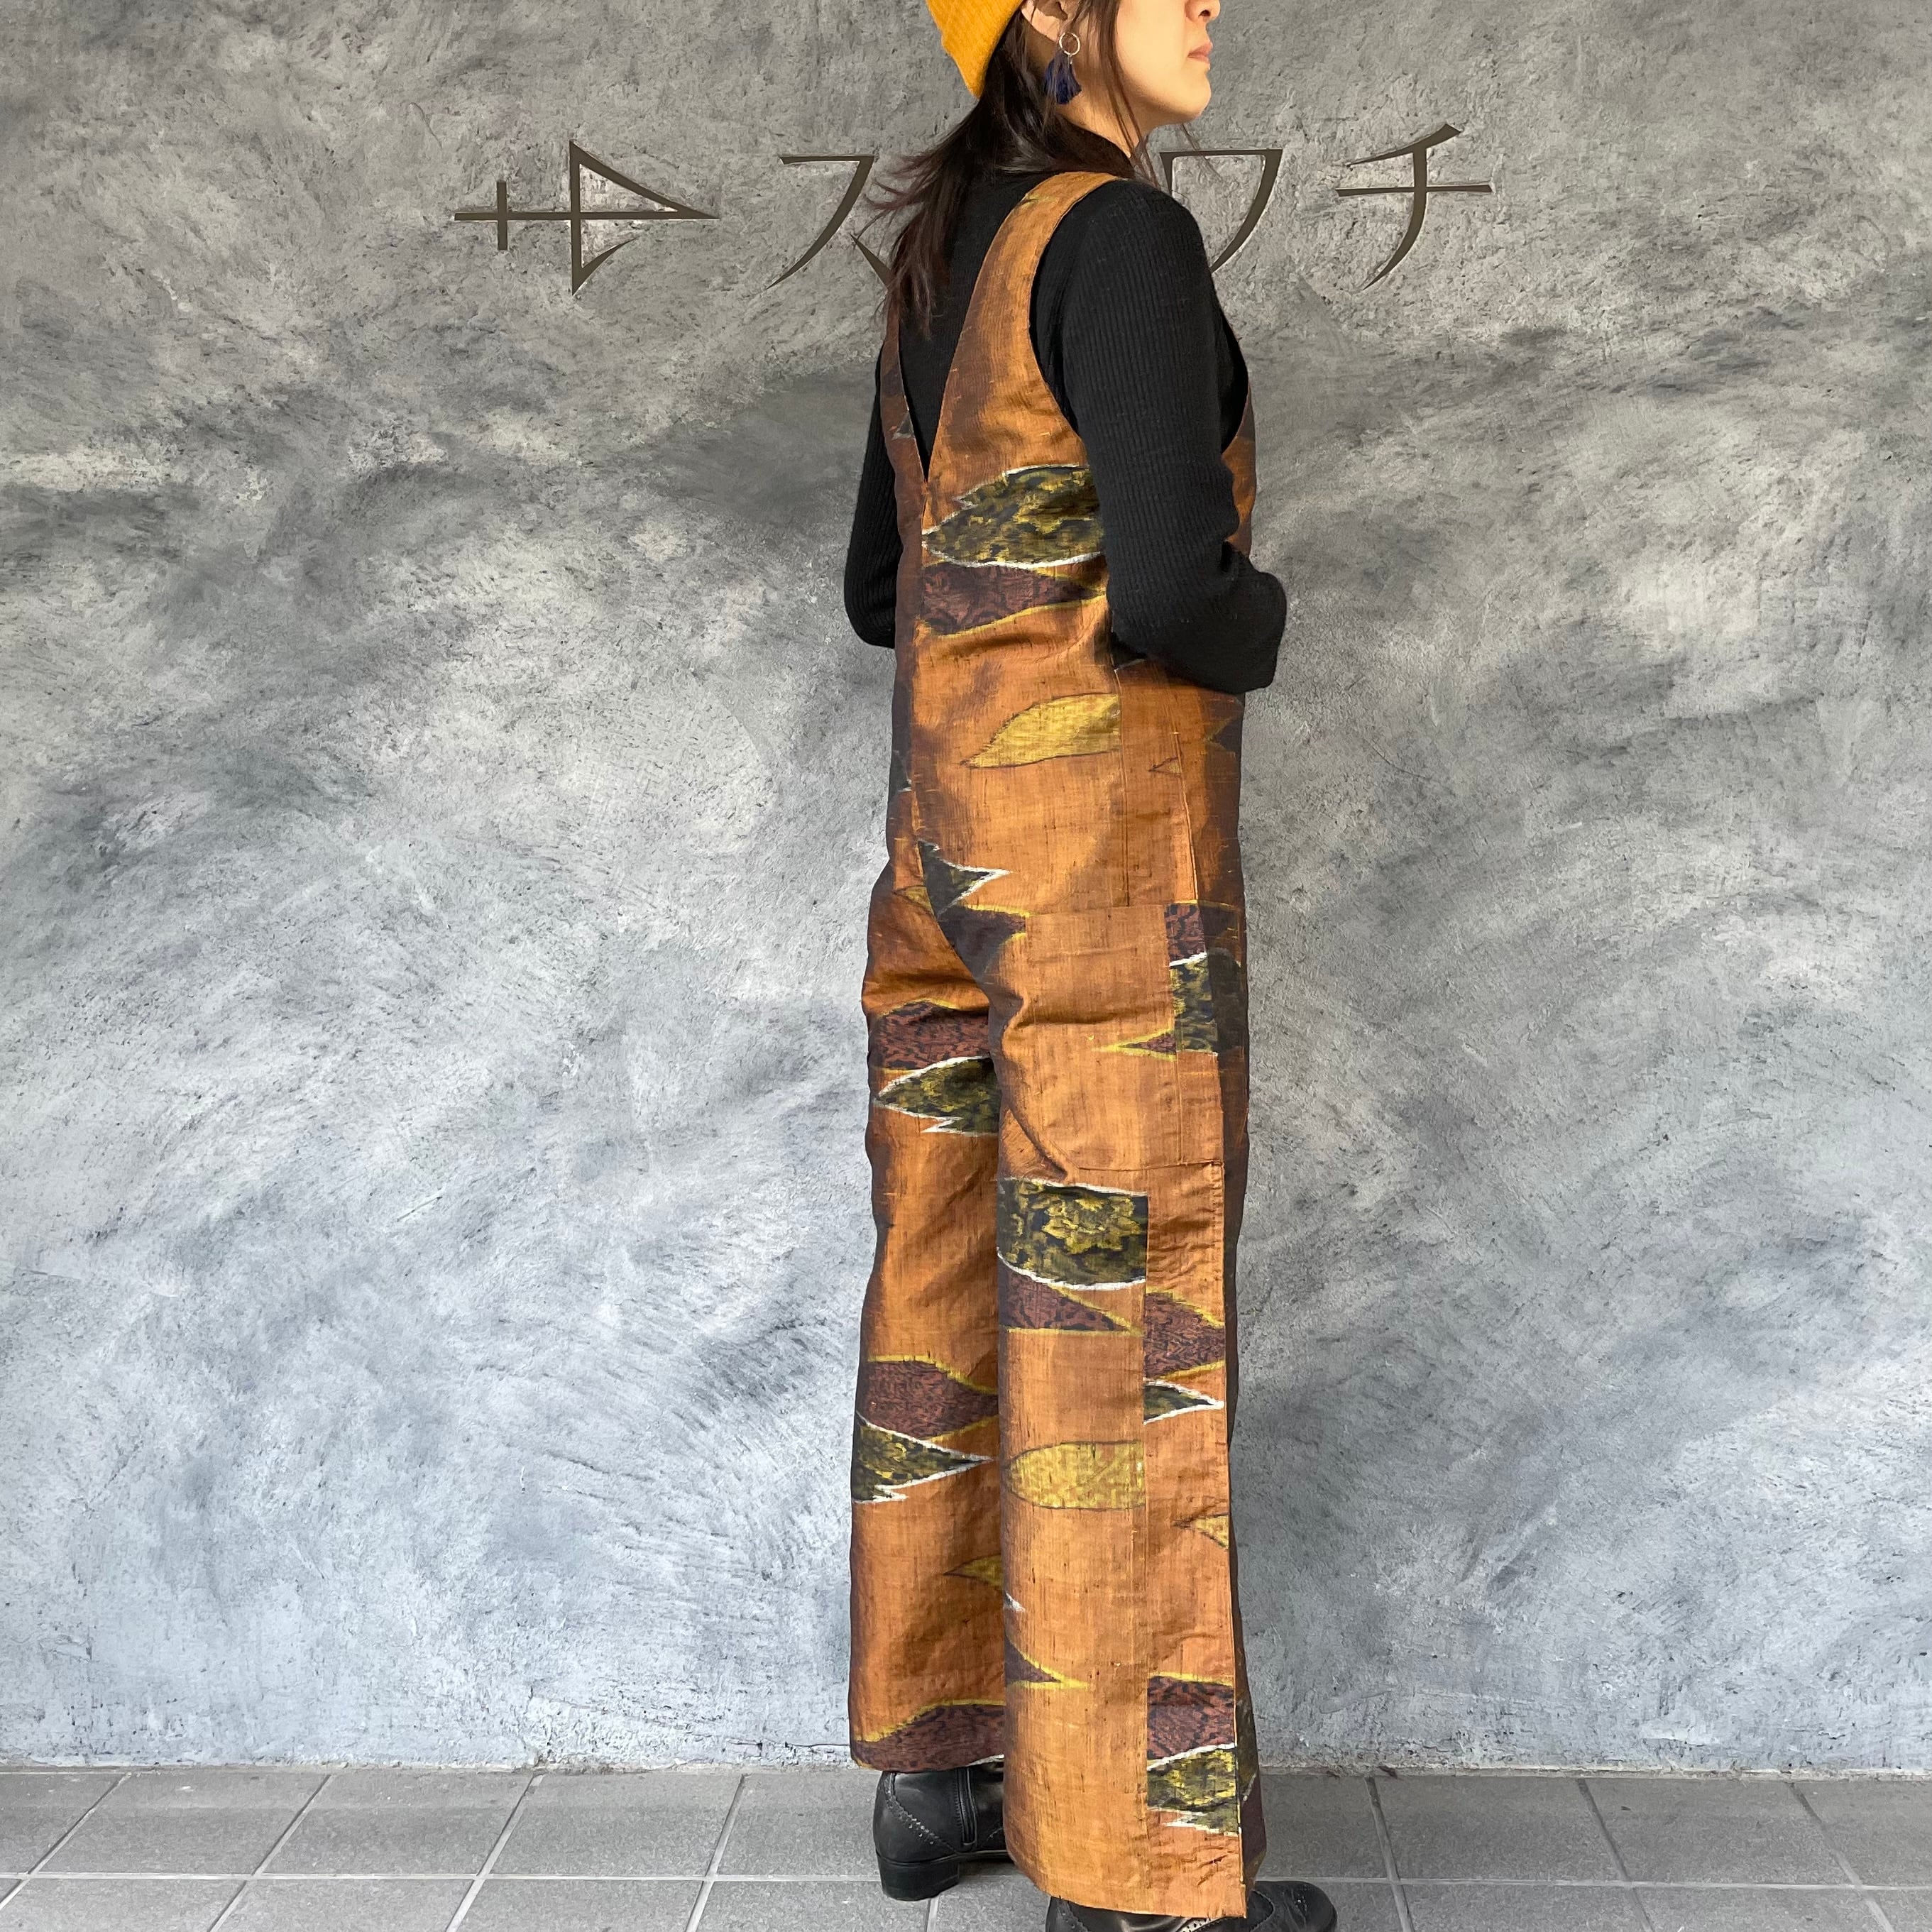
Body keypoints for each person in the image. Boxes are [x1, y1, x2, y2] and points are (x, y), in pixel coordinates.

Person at [840, 0, 1329, 1926]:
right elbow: (1175, 590)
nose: (1210, 3)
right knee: (1119, 1317)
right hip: (1102, 884)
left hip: (942, 865)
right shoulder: (1118, 233)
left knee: (951, 1283)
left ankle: (953, 1766)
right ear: (1051, 12)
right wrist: (1263, 619)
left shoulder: (939, 256)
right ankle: (1132, 1877)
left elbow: (878, 589)